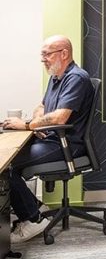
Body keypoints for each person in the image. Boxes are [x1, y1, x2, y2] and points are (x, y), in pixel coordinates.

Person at [1, 35, 94, 243]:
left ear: (64, 53)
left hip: (66, 145)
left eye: (47, 54)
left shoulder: (76, 78)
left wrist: (27, 126)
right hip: (52, 139)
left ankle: (33, 220)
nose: (43, 59)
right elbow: (42, 106)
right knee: (10, 161)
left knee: (7, 165)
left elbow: (60, 117)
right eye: (42, 54)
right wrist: (36, 123)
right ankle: (35, 207)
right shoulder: (56, 76)